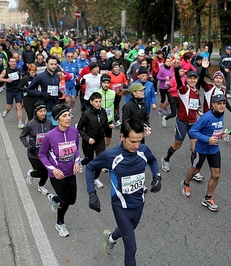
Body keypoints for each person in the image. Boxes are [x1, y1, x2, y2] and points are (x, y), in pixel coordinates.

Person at [85, 118, 162, 266]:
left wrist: (157, 176)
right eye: (133, 141)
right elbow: (89, 168)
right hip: (121, 207)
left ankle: (111, 238)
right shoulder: (111, 156)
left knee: (127, 230)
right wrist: (92, 193)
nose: (136, 145)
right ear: (122, 137)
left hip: (139, 203)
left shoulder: (143, 150)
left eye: (140, 141)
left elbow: (152, 161)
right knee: (131, 248)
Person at [38, 104, 81, 237]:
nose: (68, 118)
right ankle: (60, 223)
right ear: (58, 119)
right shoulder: (50, 136)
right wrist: (53, 169)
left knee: (72, 200)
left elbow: (77, 150)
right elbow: (42, 154)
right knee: (66, 201)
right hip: (57, 175)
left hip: (71, 172)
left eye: (69, 115)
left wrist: (77, 162)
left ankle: (54, 199)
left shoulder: (74, 132)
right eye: (64, 116)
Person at [180, 94, 228, 211]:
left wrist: (220, 135)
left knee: (216, 175)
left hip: (214, 149)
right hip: (201, 149)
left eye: (224, 103)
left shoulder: (221, 115)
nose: (222, 106)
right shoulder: (206, 117)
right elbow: (192, 131)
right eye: (219, 103)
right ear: (213, 104)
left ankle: (208, 198)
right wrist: (207, 139)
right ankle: (185, 183)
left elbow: (214, 129)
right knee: (195, 169)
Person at [161, 69, 201, 172]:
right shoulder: (184, 89)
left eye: (194, 78)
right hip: (182, 122)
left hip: (193, 124)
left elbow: (194, 105)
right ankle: (166, 159)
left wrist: (198, 111)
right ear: (186, 79)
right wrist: (177, 72)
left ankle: (194, 171)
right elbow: (179, 84)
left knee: (195, 147)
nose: (192, 80)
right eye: (190, 78)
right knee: (177, 144)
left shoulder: (196, 91)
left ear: (197, 80)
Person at [77, 92, 113, 189]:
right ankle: (80, 162)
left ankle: (95, 178)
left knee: (101, 160)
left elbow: (104, 123)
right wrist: (87, 138)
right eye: (96, 101)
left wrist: (109, 125)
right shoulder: (86, 114)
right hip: (89, 141)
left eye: (99, 101)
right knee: (89, 160)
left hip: (100, 140)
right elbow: (79, 128)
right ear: (91, 102)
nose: (98, 104)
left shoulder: (103, 111)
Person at [19, 102, 52, 195]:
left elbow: (53, 135)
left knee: (46, 172)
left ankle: (41, 186)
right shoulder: (30, 124)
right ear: (36, 112)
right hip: (34, 154)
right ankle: (31, 174)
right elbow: (22, 136)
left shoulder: (49, 122)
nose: (43, 113)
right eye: (40, 111)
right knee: (40, 172)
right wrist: (29, 146)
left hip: (46, 153)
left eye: (44, 111)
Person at [26, 55, 61, 126]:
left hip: (55, 107)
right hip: (44, 107)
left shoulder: (57, 76)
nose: (54, 66)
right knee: (44, 130)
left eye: (55, 64)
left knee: (55, 129)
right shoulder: (40, 76)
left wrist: (60, 93)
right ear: (46, 64)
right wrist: (41, 94)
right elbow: (29, 90)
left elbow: (56, 88)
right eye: (51, 64)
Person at [0, 57, 24, 129]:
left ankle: (20, 122)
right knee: (9, 106)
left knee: (19, 105)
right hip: (10, 90)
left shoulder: (18, 70)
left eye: (14, 61)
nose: (13, 63)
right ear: (9, 63)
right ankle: (7, 111)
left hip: (18, 90)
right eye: (12, 61)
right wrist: (6, 80)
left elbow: (21, 78)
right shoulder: (5, 70)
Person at [97, 74, 116, 147]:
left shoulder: (113, 93)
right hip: (100, 120)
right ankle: (102, 156)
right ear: (101, 83)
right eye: (104, 83)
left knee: (107, 143)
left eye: (108, 83)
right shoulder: (97, 93)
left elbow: (116, 104)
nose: (106, 85)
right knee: (103, 143)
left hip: (109, 120)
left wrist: (116, 114)